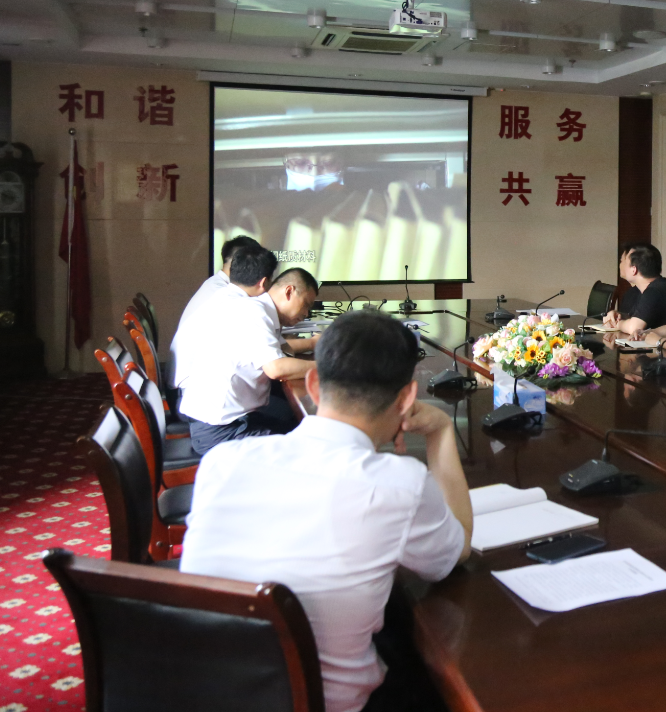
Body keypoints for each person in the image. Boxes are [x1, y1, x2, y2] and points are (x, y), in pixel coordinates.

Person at [180, 310, 472, 712]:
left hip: (205, 692)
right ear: (408, 397)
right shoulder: (399, 483)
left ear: (313, 384)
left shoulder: (221, 461)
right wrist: (440, 432)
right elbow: (455, 553)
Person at [176, 247, 319, 454]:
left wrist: (314, 345)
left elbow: (283, 348)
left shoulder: (251, 306)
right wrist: (327, 366)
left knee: (298, 426)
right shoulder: (253, 311)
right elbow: (276, 368)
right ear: (289, 292)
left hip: (221, 421)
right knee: (306, 449)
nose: (306, 313)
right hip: (221, 432)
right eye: (306, 305)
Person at [170, 235, 262, 388]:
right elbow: (256, 346)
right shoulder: (225, 294)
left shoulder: (216, 285)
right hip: (192, 387)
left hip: (190, 379)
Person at [603, 242, 666, 338]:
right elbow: (637, 316)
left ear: (634, 269)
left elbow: (634, 328)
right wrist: (617, 315)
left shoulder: (655, 291)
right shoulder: (638, 291)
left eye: (622, 261)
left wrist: (617, 324)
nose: (620, 265)